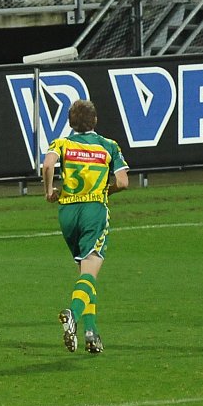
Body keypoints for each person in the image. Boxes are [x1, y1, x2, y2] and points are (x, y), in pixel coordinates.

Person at [42, 99, 129, 355]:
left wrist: (49, 191)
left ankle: (92, 333)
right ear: (96, 121)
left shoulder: (63, 143)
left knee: (85, 272)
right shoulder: (108, 146)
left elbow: (48, 165)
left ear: (70, 123)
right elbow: (123, 182)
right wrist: (106, 191)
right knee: (90, 271)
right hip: (93, 210)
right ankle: (74, 314)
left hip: (67, 212)